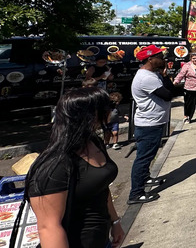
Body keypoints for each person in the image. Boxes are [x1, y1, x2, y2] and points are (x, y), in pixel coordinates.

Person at [24, 87, 125, 248]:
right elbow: (49, 227)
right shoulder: (55, 165)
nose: (111, 112)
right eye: (107, 108)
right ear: (90, 115)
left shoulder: (93, 142)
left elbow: (101, 188)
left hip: (103, 240)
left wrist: (115, 221)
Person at [128, 45, 173, 205]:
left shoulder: (151, 74)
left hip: (154, 121)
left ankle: (145, 179)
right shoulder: (147, 77)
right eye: (160, 57)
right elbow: (167, 95)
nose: (163, 60)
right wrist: (166, 77)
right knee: (143, 158)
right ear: (150, 59)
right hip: (149, 124)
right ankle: (136, 193)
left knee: (147, 156)